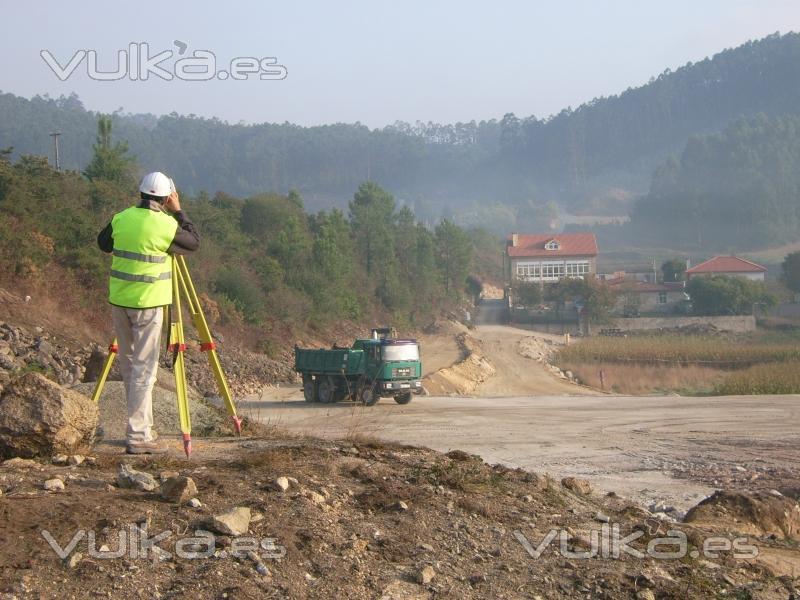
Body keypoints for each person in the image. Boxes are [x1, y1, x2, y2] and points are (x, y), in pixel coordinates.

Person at [97, 172, 199, 454]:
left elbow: (103, 243)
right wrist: (179, 211)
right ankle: (139, 436)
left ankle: (139, 427)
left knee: (130, 364)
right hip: (148, 304)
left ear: (141, 193)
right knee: (144, 369)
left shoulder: (122, 218)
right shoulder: (165, 224)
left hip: (120, 302)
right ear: (167, 198)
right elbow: (193, 241)